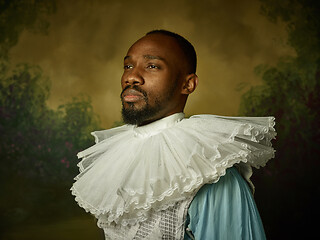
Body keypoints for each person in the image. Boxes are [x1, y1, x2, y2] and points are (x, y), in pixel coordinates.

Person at [71, 30, 276, 239]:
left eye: (152, 66)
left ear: (188, 84)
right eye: (128, 66)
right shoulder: (117, 159)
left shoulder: (212, 173)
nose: (131, 76)